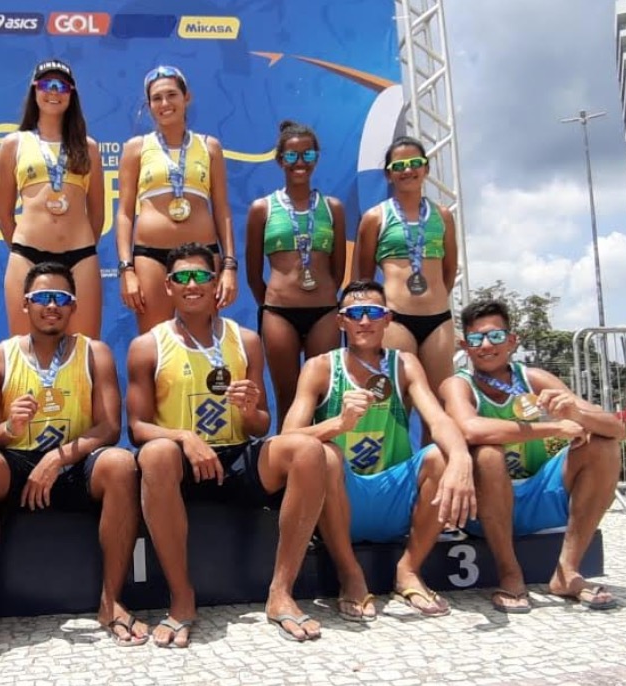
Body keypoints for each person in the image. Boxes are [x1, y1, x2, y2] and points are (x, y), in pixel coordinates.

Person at [126, 243, 327, 646]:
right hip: (184, 463)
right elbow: (136, 427)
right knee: (157, 452)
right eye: (181, 277)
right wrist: (185, 437)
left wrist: (251, 409)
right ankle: (182, 599)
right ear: (168, 287)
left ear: (216, 282)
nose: (192, 284)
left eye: (201, 275)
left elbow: (261, 425)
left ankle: (281, 593)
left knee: (307, 451)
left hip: (235, 457)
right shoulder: (148, 345)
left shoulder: (246, 340)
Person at [0, 262, 146, 658]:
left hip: (72, 466)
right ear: (25, 305)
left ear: (73, 306)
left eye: (60, 299)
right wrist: (7, 429)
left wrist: (58, 457)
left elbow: (108, 428)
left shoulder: (95, 353)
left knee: (120, 464)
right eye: (41, 298)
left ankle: (111, 602)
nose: (50, 306)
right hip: (18, 465)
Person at [282, 280, 475, 622]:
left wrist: (461, 459)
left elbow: (438, 419)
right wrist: (339, 424)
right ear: (341, 322)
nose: (364, 321)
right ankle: (351, 574)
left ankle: (409, 570)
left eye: (373, 312)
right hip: (342, 500)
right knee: (325, 455)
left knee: (442, 456)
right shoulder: (321, 368)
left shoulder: (405, 364)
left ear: (388, 319)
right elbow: (288, 438)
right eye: (355, 314)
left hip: (393, 498)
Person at [439, 299, 622, 613]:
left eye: (495, 336)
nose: (485, 345)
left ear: (512, 341)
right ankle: (510, 574)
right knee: (487, 455)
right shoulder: (457, 384)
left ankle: (568, 572)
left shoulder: (535, 378)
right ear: (464, 346)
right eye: (475, 339)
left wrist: (574, 412)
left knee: (602, 445)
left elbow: (615, 428)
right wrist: (553, 429)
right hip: (485, 507)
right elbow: (471, 428)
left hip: (538, 494)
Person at [116, 66, 238, 334]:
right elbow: (124, 213)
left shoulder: (209, 147)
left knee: (204, 339)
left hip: (203, 255)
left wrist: (229, 265)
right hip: (151, 258)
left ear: (187, 98)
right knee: (155, 344)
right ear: (149, 105)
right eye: (157, 98)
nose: (165, 103)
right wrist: (126, 269)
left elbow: (222, 210)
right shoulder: (136, 148)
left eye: (172, 95)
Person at [244, 121, 346, 431]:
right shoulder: (262, 209)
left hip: (325, 313)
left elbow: (338, 269)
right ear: (279, 160)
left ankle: (325, 472)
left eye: (307, 155)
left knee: (324, 397)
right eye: (291, 156)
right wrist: (274, 302)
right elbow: (252, 272)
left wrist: (323, 294)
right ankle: (285, 477)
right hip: (279, 314)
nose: (299, 163)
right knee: (287, 397)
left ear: (316, 158)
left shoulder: (333, 208)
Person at [0, 58, 103, 338]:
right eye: (46, 84)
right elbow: (4, 213)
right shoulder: (13, 144)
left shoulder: (88, 147)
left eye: (62, 86)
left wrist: (76, 244)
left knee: (84, 350)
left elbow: (98, 214)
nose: (54, 91)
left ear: (72, 93)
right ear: (34, 90)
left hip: (80, 257)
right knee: (22, 351)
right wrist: (23, 246)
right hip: (27, 256)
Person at [355, 136, 458, 395]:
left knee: (441, 403)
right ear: (388, 175)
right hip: (395, 320)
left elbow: (449, 269)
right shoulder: (374, 217)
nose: (408, 170)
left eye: (415, 163)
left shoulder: (443, 216)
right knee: (398, 403)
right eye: (399, 166)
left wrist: (432, 300)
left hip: (438, 321)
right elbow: (363, 281)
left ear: (426, 168)